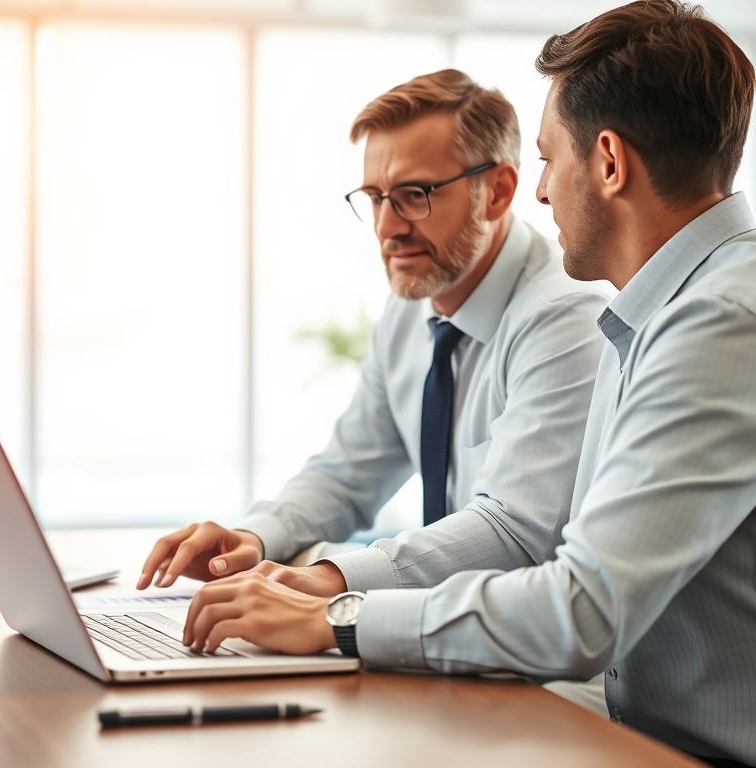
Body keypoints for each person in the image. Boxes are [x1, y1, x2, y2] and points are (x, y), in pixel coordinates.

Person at [181, 2, 756, 764]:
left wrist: (338, 614)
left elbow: (576, 606)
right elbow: (352, 467)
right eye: (376, 199)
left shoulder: (716, 322)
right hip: (629, 728)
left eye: (550, 160)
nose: (545, 194)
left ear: (609, 162)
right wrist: (270, 549)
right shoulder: (654, 309)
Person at [138, 70, 610, 711]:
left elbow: (512, 534)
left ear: (497, 191)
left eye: (415, 195)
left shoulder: (565, 314)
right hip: (442, 665)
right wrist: (254, 540)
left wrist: (323, 583)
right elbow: (347, 473)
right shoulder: (414, 307)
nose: (388, 227)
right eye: (375, 197)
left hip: (544, 687)